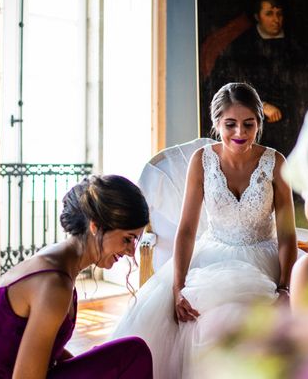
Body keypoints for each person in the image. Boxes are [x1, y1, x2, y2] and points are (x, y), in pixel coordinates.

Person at [112, 82, 298, 379]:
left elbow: (287, 234)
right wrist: (177, 288)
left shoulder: (275, 163)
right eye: (230, 124)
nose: (240, 133)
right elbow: (186, 230)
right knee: (194, 320)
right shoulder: (202, 161)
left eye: (249, 124)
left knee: (254, 326)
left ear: (259, 123)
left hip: (266, 258)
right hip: (212, 255)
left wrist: (285, 287)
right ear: (216, 124)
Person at [0, 175, 153, 379]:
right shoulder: (54, 284)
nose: (132, 252)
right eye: (128, 239)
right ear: (95, 225)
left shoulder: (61, 262)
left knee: (114, 356)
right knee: (133, 353)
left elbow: (42, 347)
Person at [204, 0, 305, 157]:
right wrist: (262, 105)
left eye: (279, 14)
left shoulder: (297, 44)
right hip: (257, 120)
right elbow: (228, 84)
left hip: (293, 118)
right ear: (258, 16)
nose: (276, 19)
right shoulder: (241, 46)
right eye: (269, 14)